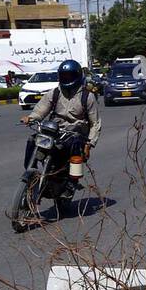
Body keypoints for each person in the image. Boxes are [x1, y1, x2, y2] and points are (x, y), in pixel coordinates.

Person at [22, 59, 101, 194]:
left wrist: (90, 143)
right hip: (55, 130)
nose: (67, 78)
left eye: (70, 75)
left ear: (77, 76)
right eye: (64, 75)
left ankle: (72, 183)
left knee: (76, 148)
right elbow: (41, 109)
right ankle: (31, 169)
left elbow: (95, 123)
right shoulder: (55, 92)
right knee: (33, 140)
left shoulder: (88, 97)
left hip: (76, 133)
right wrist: (31, 118)